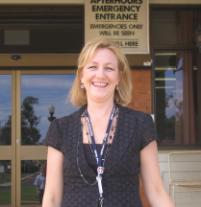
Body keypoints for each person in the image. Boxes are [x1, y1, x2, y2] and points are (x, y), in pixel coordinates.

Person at [42, 38, 175, 207]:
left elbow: (156, 191)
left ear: (119, 77)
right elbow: (52, 197)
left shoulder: (140, 124)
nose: (100, 74)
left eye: (109, 68)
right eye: (92, 67)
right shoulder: (60, 129)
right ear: (81, 76)